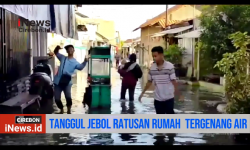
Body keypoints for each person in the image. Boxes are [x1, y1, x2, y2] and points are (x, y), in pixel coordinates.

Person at [139, 46, 183, 114]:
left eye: (155, 56)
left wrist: (179, 94)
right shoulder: (152, 68)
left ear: (162, 55)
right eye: (153, 56)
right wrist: (142, 93)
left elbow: (174, 81)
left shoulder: (170, 67)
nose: (154, 58)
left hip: (169, 98)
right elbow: (149, 82)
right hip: (157, 99)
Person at [53, 45, 88, 114]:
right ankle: (61, 109)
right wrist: (57, 47)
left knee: (68, 97)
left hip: (67, 83)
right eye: (68, 49)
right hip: (58, 82)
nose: (70, 50)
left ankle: (69, 110)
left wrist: (85, 61)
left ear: (73, 50)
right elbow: (55, 52)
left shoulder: (75, 62)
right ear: (67, 51)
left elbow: (80, 67)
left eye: (71, 49)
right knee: (57, 99)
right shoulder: (62, 58)